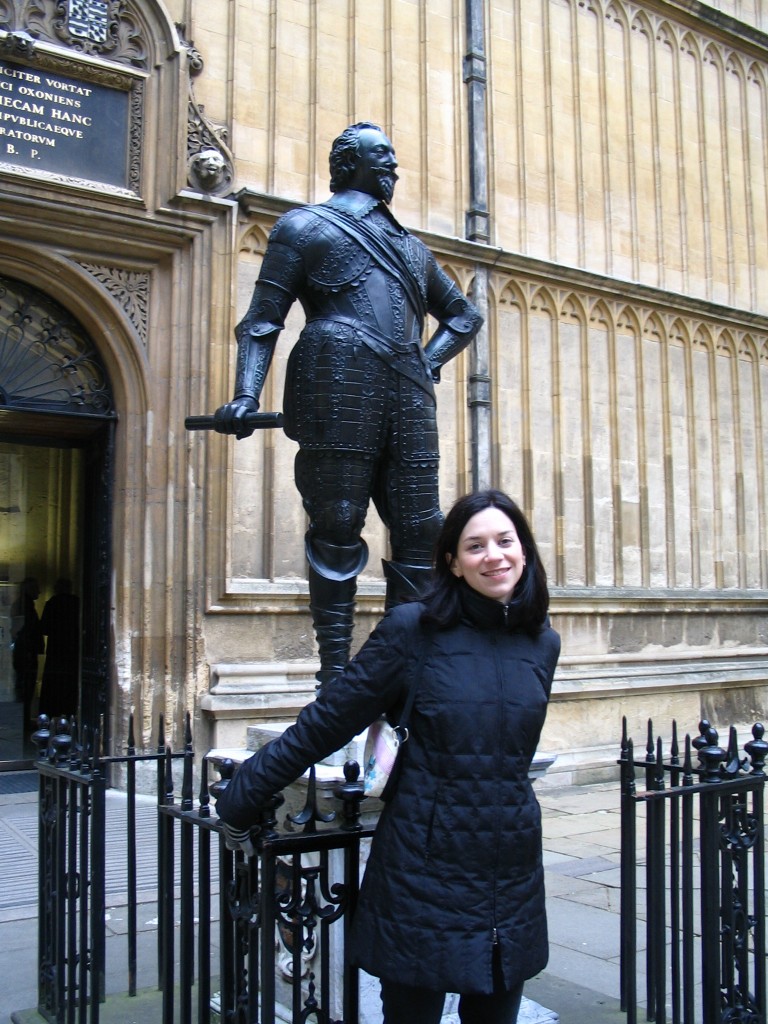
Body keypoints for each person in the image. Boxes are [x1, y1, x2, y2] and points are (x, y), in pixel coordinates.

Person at [216, 489, 561, 1024]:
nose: (493, 555)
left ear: (524, 550)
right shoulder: (413, 631)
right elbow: (329, 720)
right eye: (475, 546)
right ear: (452, 561)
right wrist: (245, 792)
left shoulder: (543, 642)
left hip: (510, 870)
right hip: (425, 868)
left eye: (504, 541)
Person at [213, 122, 483, 686]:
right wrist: (245, 393)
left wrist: (427, 360)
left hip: (408, 390)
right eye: (381, 155)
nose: (393, 166)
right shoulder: (305, 226)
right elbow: (262, 320)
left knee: (420, 529)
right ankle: (336, 676)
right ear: (347, 163)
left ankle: (394, 669)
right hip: (336, 380)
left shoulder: (411, 247)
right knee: (337, 522)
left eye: (393, 156)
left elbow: (462, 315)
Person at [39, 578, 80, 719]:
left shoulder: (52, 603)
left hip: (56, 650)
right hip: (72, 649)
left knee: (54, 684)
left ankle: (50, 715)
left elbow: (44, 628)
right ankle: (69, 714)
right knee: (69, 684)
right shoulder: (77, 603)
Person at [10, 576, 44, 726]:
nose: (39, 591)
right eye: (35, 588)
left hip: (25, 651)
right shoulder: (25, 605)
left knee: (25, 686)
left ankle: (22, 719)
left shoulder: (25, 604)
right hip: (26, 653)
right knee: (25, 686)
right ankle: (21, 720)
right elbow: (23, 630)